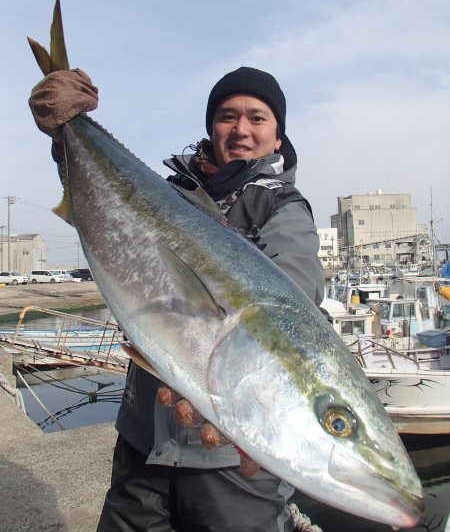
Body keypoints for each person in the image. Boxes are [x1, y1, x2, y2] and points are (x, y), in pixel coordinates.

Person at [29, 66, 324, 532]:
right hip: (144, 439)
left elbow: (293, 294)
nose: (241, 129)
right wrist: (64, 138)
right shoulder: (172, 195)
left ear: (277, 136)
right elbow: (104, 216)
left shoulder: (281, 208)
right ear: (211, 126)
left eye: (258, 118)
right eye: (228, 116)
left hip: (229, 454)